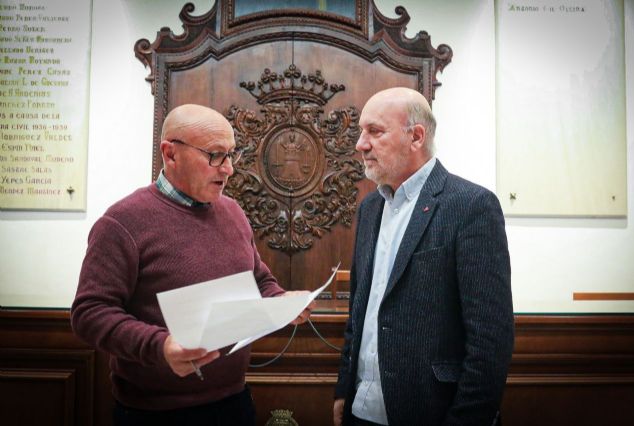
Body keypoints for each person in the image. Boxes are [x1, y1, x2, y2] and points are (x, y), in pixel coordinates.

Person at [71, 104, 313, 426]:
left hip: (235, 403)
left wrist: (280, 300)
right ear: (171, 154)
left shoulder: (233, 212)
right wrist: (161, 346)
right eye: (215, 155)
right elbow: (90, 313)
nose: (228, 169)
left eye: (231, 155)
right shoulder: (122, 222)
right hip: (155, 414)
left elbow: (259, 279)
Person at [333, 88, 514, 426]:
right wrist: (344, 389)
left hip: (431, 413)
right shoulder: (370, 208)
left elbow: (491, 338)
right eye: (361, 131)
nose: (360, 144)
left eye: (374, 131)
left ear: (416, 136)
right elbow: (359, 312)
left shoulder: (471, 206)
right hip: (361, 411)